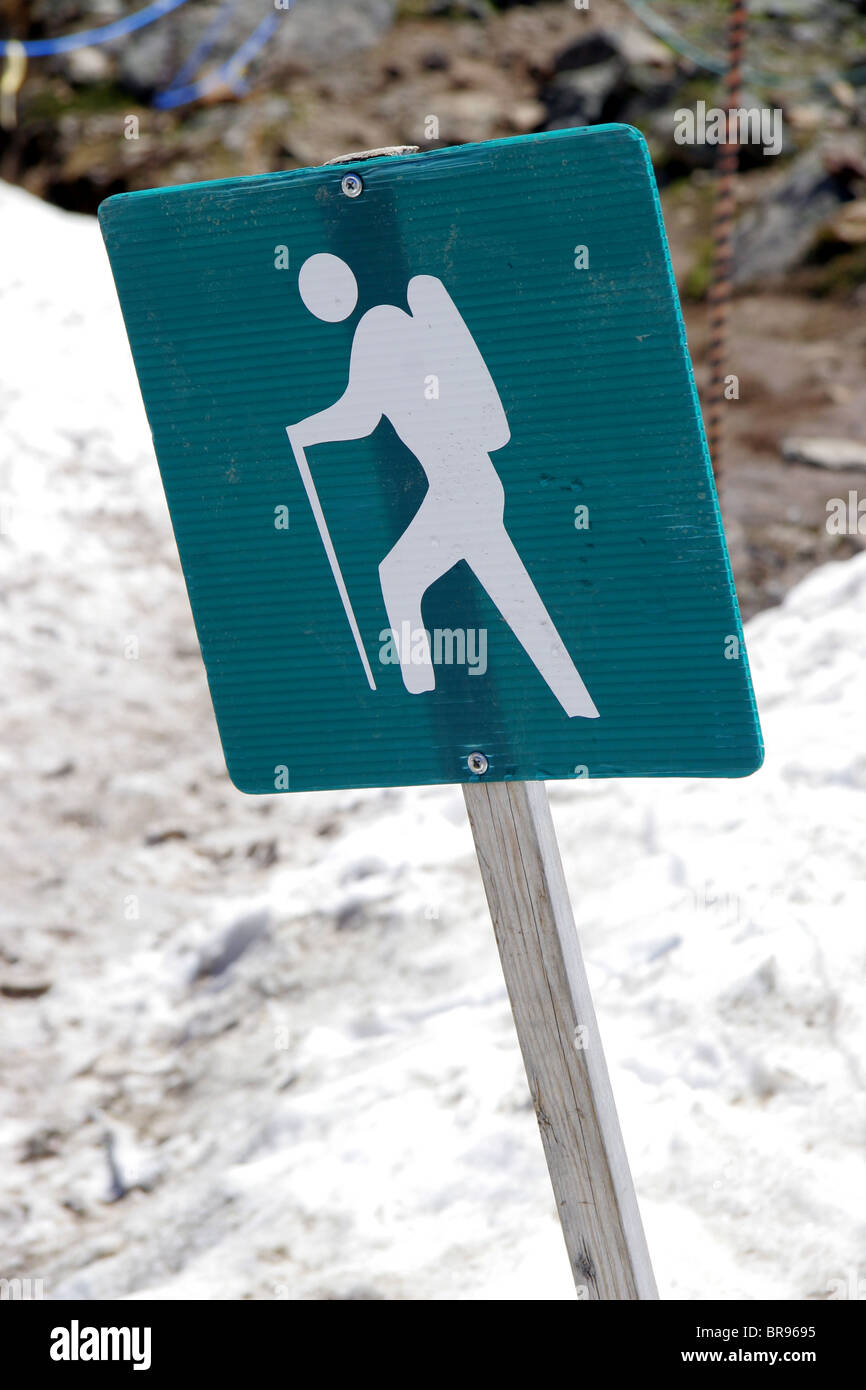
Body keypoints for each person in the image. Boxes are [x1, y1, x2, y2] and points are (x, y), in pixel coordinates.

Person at [287, 253, 599, 719]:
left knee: (407, 581)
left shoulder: (378, 328)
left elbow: (358, 413)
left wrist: (306, 431)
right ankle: (573, 704)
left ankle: (430, 707)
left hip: (462, 488)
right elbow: (364, 411)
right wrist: (306, 431)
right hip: (463, 486)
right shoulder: (393, 324)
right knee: (510, 599)